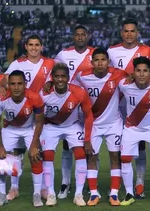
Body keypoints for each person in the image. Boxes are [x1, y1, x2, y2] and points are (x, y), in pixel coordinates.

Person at [0, 35, 54, 201]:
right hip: (19, 116)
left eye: (37, 45)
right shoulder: (18, 64)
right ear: (26, 47)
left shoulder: (50, 63)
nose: (34, 48)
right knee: (17, 154)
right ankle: (14, 187)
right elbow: (5, 79)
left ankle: (43, 188)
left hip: (40, 115)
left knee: (38, 154)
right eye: (31, 45)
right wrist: (2, 85)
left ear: (42, 47)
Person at [73, 48, 129, 206]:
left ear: (108, 62)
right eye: (96, 60)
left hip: (114, 124)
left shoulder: (118, 74)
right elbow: (72, 89)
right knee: (91, 156)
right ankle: (93, 193)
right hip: (93, 124)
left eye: (103, 59)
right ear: (92, 62)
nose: (100, 62)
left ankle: (114, 193)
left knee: (114, 156)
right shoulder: (82, 76)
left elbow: (135, 79)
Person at [108, 18, 150, 198]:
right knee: (120, 147)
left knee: (140, 143)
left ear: (137, 33)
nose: (129, 34)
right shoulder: (112, 51)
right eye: (126, 31)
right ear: (121, 33)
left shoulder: (146, 50)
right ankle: (118, 183)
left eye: (132, 31)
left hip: (138, 104)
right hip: (116, 105)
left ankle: (140, 182)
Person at [40, 63, 94, 207]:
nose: (60, 79)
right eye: (57, 76)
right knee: (48, 157)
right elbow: (37, 116)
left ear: (68, 78)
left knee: (80, 154)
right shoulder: (44, 93)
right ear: (52, 78)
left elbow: (89, 116)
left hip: (72, 126)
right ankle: (51, 194)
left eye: (63, 76)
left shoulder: (79, 92)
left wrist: (87, 139)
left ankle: (78, 194)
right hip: (50, 126)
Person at [118, 56, 150, 206]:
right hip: (131, 129)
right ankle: (129, 194)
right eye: (138, 71)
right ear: (133, 73)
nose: (141, 74)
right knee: (125, 160)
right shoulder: (124, 85)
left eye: (145, 71)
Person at [0, 70, 44, 207]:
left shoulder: (35, 97)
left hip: (29, 129)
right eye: (13, 84)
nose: (16, 87)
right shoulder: (0, 98)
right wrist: (1, 146)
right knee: (0, 161)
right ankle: (2, 195)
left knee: (36, 157)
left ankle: (36, 194)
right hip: (10, 130)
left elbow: (39, 123)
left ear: (25, 84)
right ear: (8, 85)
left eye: (19, 84)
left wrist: (34, 145)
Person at [53, 25, 94, 199]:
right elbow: (54, 75)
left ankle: (86, 183)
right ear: (73, 37)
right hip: (67, 104)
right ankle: (65, 183)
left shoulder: (96, 54)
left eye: (83, 34)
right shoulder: (63, 55)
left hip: (89, 103)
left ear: (88, 36)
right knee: (67, 146)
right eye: (77, 34)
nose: (80, 37)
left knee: (89, 146)